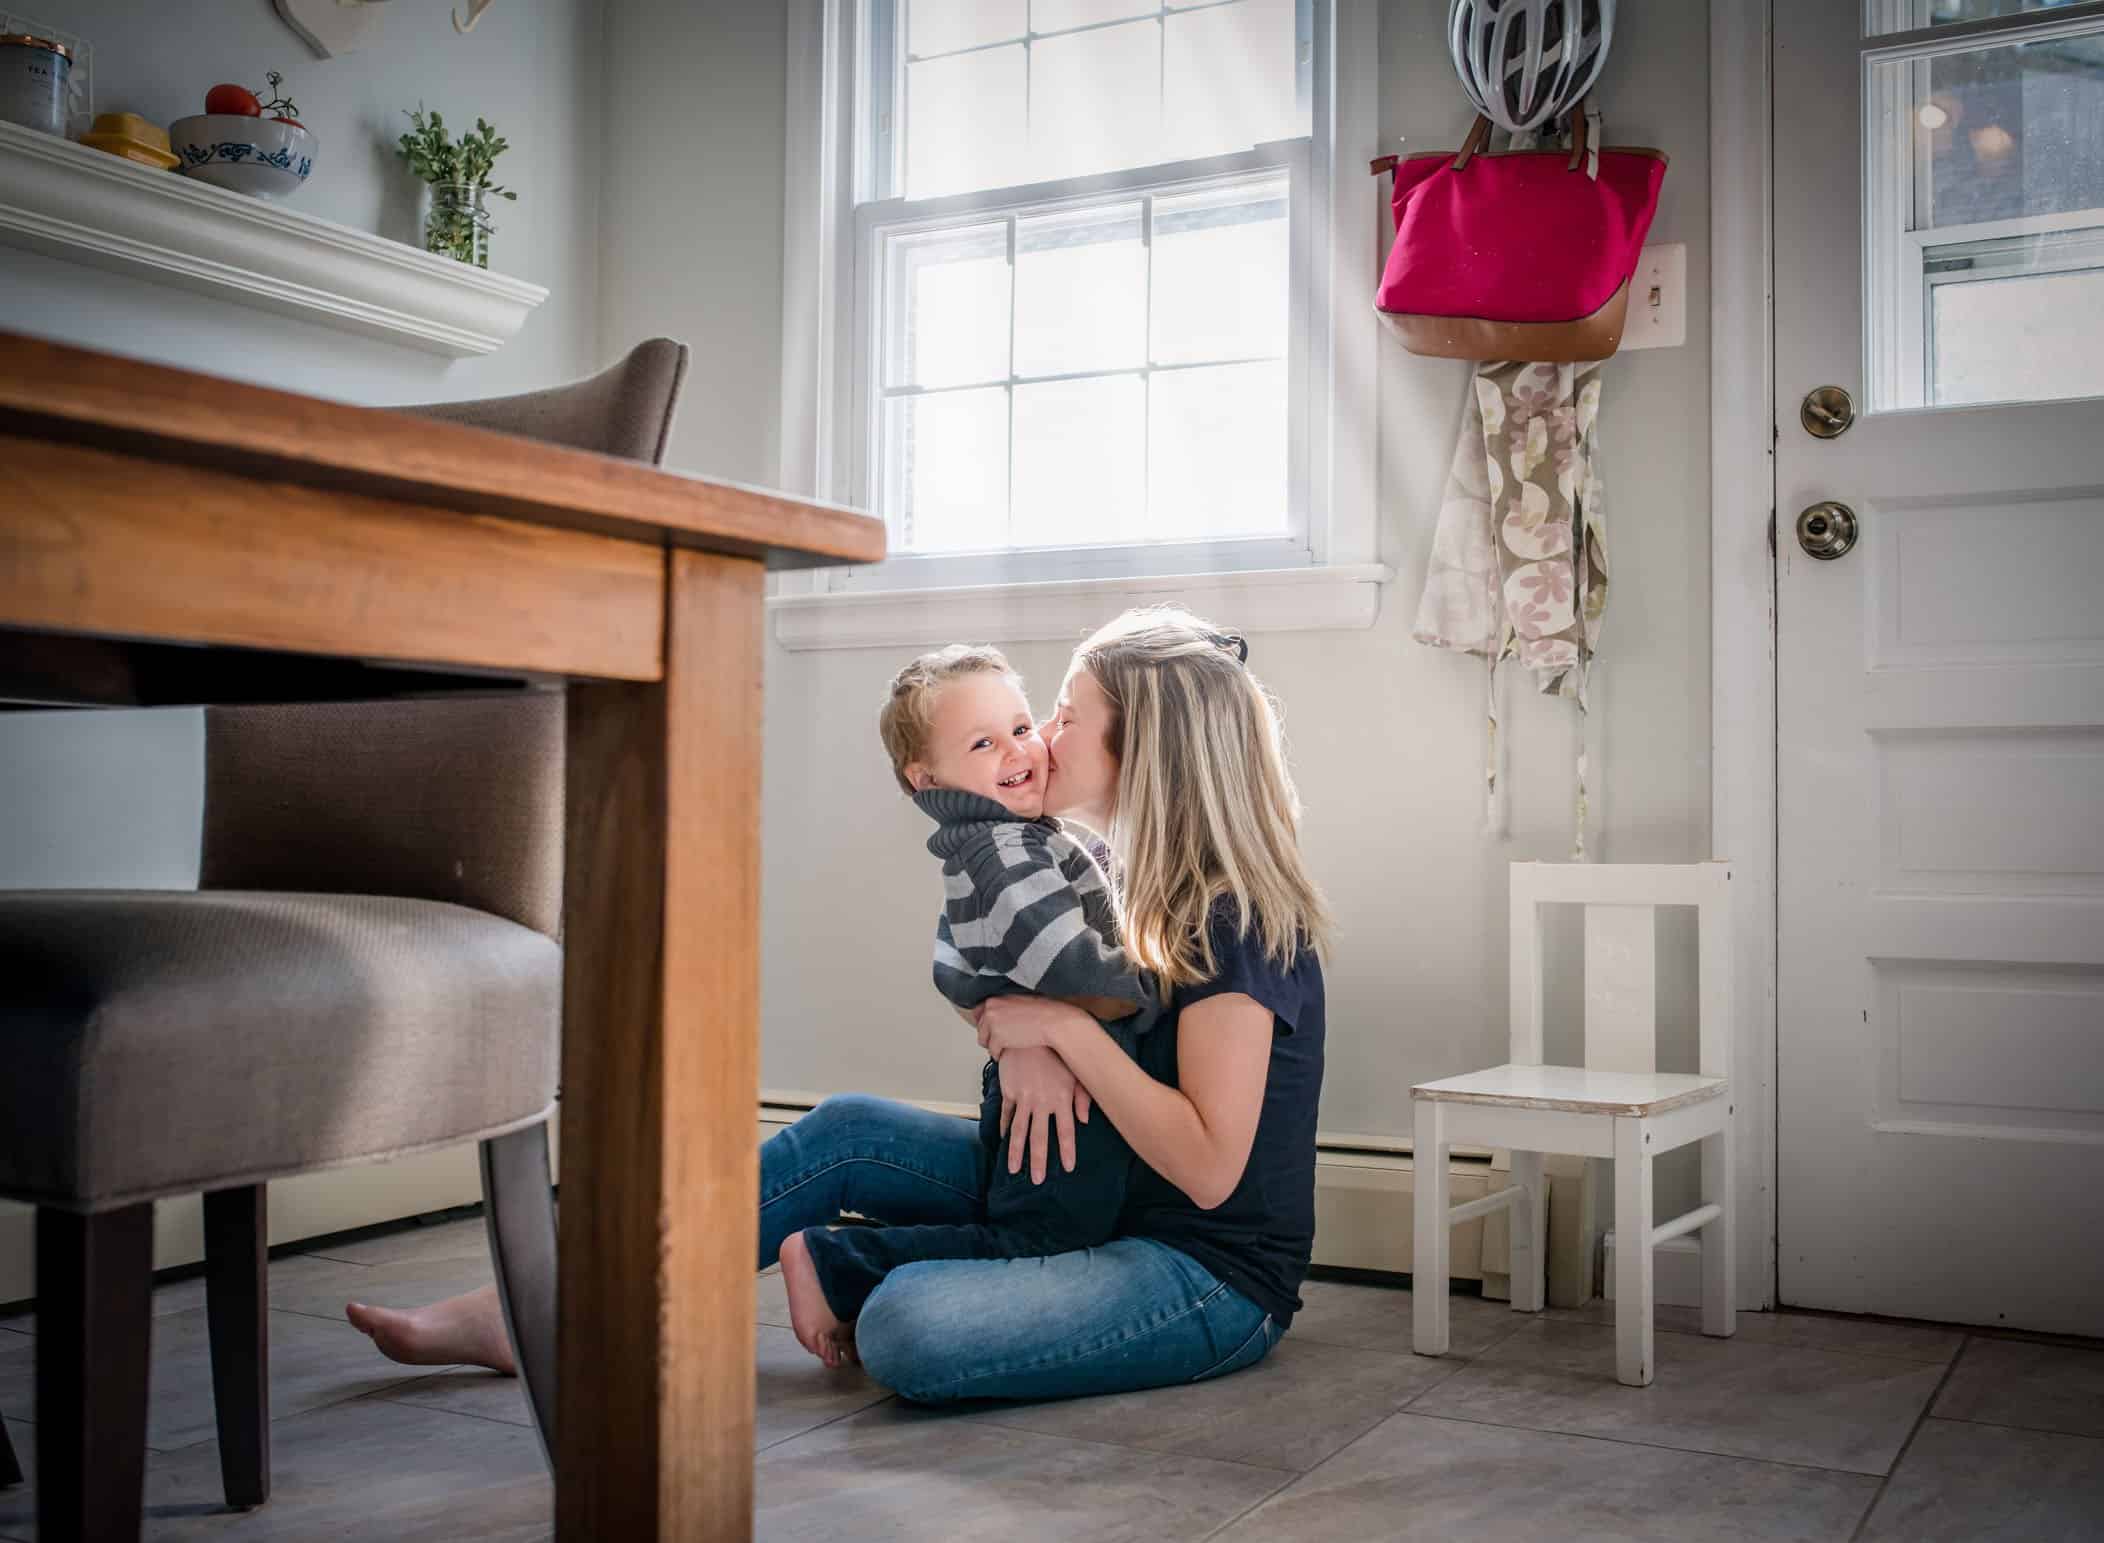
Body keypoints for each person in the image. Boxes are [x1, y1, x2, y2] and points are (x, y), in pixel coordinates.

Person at [346, 606, 1333, 1404]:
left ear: (1145, 745)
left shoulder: (1237, 915)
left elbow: (1208, 1169)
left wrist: (1066, 1030)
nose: (1044, 735)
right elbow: (988, 972)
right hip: (1097, 1190)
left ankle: (842, 1272)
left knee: (907, 1325)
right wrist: (1020, 1035)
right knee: (848, 1129)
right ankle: (533, 1307)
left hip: (1198, 1269)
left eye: (1068, 714)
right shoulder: (1105, 872)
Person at [776, 643, 1164, 1368]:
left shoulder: (1011, 840)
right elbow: (1066, 964)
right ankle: (838, 1265)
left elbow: (960, 968)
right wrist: (1152, 984)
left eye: (1021, 726)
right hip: (1069, 1097)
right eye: (983, 742)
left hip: (1061, 1077)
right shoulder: (1004, 850)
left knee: (1035, 1221)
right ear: (926, 778)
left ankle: (839, 1260)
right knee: (1037, 1241)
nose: (1019, 749)